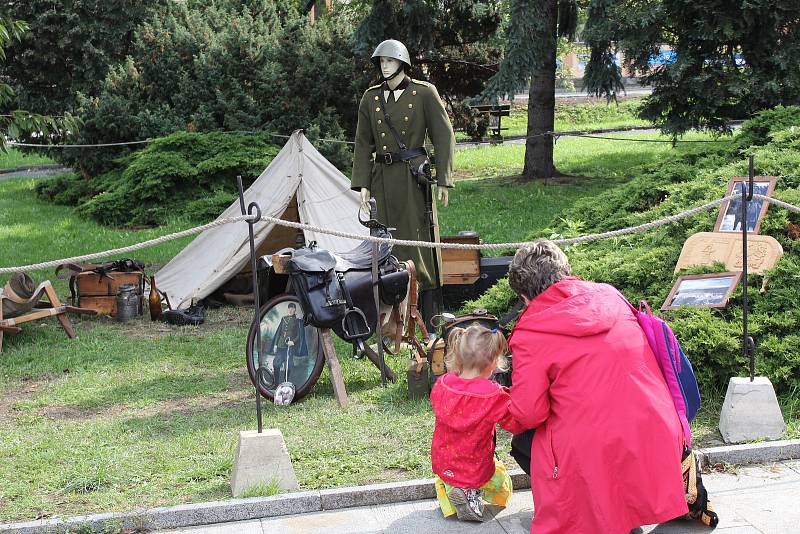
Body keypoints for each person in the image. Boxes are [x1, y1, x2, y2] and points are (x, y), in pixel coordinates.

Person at [506, 240, 688, 534]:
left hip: (594, 449)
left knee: (526, 443)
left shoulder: (531, 330)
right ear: (567, 271)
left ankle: (592, 514)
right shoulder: (610, 294)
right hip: (657, 430)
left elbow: (528, 414)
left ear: (525, 296)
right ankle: (626, 511)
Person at [351, 39, 456, 329]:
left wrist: (444, 179)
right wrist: (362, 182)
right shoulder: (370, 98)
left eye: (389, 60)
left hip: (413, 179)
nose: (384, 65)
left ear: (402, 62)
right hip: (382, 179)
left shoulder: (423, 93)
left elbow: (444, 135)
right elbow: (362, 143)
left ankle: (425, 313)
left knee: (418, 244)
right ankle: (388, 320)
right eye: (380, 61)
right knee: (386, 246)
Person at [430, 325, 526, 522]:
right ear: (492, 363)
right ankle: (471, 498)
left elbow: (437, 405)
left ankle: (454, 497)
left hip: (444, 458)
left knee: (451, 478)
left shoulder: (443, 383)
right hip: (475, 461)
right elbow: (514, 424)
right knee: (499, 480)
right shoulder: (492, 394)